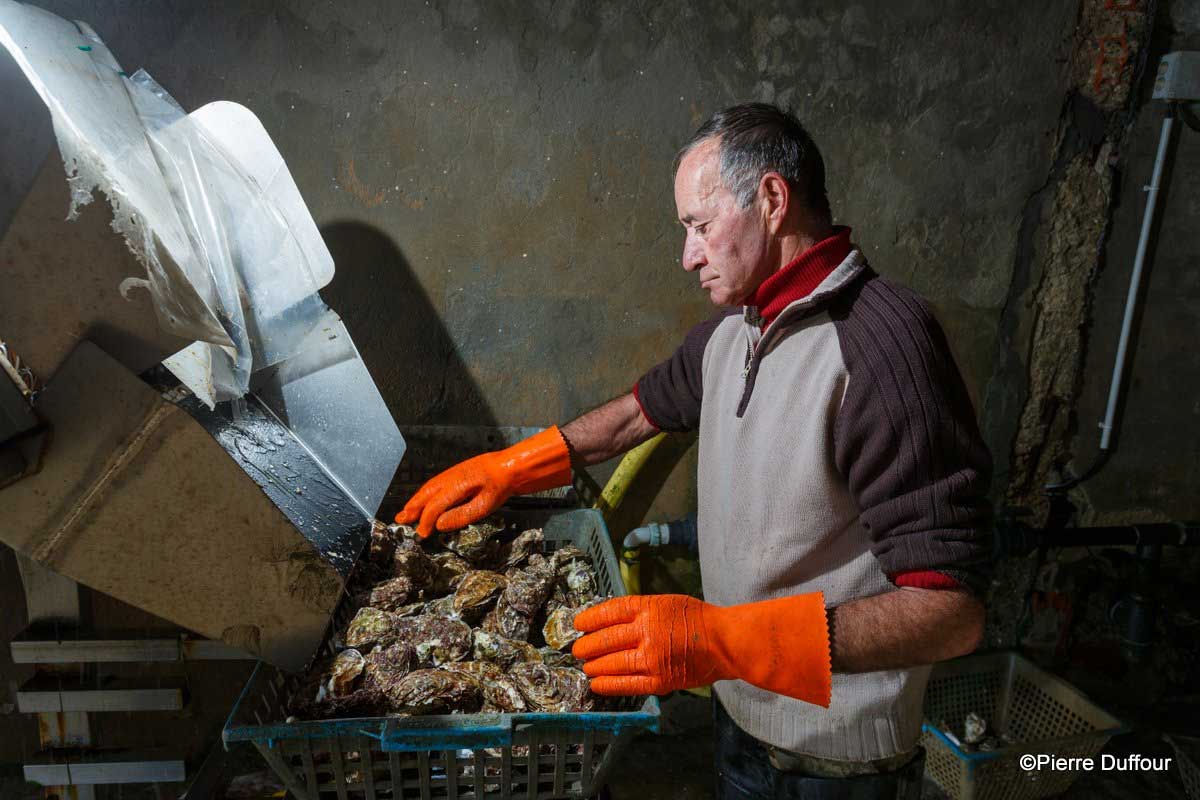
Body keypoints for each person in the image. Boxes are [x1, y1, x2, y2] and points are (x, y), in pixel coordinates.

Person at [397, 102, 993, 799]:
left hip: (834, 755)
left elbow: (951, 613)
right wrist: (514, 466)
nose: (688, 256)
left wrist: (720, 642)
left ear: (771, 200)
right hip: (738, 708)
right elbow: (636, 413)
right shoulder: (733, 334)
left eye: (700, 226)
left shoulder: (882, 347)